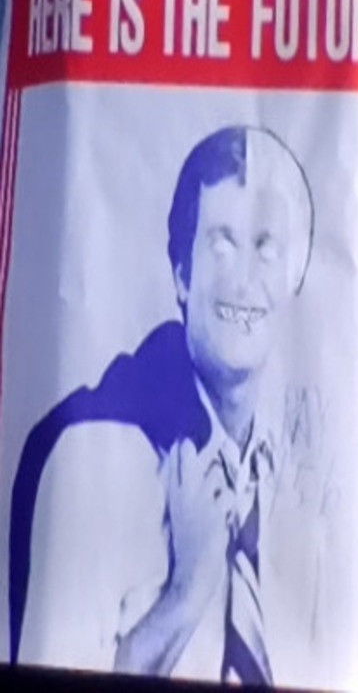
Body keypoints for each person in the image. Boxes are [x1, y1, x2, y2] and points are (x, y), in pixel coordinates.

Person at [10, 126, 332, 686]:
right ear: (182, 275)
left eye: (266, 248)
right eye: (222, 244)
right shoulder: (94, 456)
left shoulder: (293, 486)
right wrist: (187, 591)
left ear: (293, 280)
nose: (244, 280)